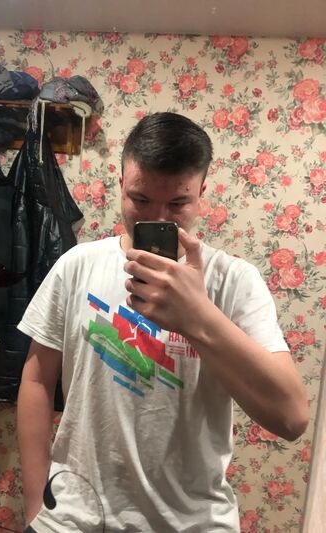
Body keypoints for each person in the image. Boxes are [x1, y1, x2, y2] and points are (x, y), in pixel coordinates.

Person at [17, 112, 309, 532]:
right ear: (120, 184)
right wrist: (35, 505)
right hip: (71, 519)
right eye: (140, 199)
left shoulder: (235, 282)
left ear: (201, 193)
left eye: (177, 204)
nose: (157, 217)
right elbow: (37, 380)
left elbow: (291, 418)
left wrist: (199, 317)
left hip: (192, 522)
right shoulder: (76, 265)